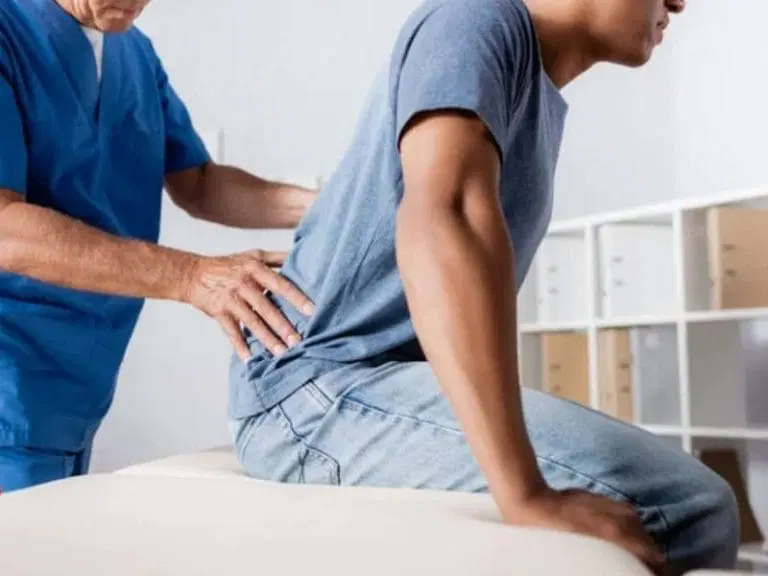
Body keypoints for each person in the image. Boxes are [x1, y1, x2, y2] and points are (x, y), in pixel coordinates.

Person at [229, 0, 741, 574]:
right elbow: (445, 217)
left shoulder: (525, 77)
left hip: (364, 382)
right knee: (690, 508)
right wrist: (525, 493)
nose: (678, 3)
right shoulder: (473, 20)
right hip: (313, 394)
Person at [0, 0, 316, 492]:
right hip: (11, 380)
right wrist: (193, 277)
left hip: (74, 391)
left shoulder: (133, 54)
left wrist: (334, 206)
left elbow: (200, 183)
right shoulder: (9, 35)